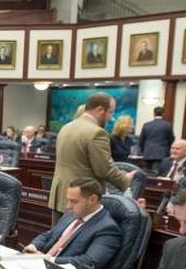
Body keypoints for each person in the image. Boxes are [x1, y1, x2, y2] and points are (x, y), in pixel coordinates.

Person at [48, 92, 130, 223]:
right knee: (77, 241)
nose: (111, 117)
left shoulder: (66, 127)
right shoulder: (97, 132)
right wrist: (125, 180)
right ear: (100, 109)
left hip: (61, 195)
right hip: (82, 199)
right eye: (110, 112)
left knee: (58, 239)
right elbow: (104, 169)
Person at [23, 178, 121, 269]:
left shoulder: (107, 229)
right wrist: (34, 245)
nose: (68, 206)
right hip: (38, 267)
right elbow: (48, 235)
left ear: (92, 200)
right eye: (68, 200)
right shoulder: (70, 214)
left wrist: (48, 259)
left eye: (74, 201)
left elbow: (89, 262)